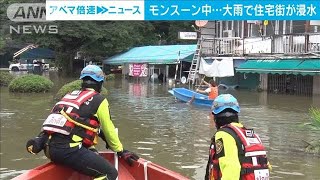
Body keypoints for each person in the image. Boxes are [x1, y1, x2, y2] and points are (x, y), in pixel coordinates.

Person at [26, 65, 139, 180]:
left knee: (91, 150)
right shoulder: (99, 100)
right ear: (100, 84)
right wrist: (121, 151)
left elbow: (78, 125)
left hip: (49, 148)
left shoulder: (69, 96)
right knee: (109, 173)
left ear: (82, 82)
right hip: (67, 150)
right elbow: (108, 129)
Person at [205, 94, 271, 180]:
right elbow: (267, 166)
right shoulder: (250, 135)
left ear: (215, 116)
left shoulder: (223, 134)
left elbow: (231, 172)